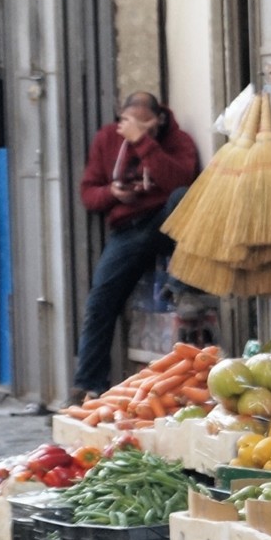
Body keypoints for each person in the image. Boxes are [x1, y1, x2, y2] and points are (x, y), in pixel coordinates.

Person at [75, 92, 201, 397]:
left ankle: (182, 282)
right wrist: (113, 194)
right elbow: (88, 193)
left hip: (163, 223)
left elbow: (179, 181)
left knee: (182, 196)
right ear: (121, 117)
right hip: (127, 228)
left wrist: (143, 142)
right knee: (101, 300)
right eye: (129, 126)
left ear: (158, 121)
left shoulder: (177, 140)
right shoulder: (107, 138)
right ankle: (87, 386)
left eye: (146, 128)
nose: (133, 133)